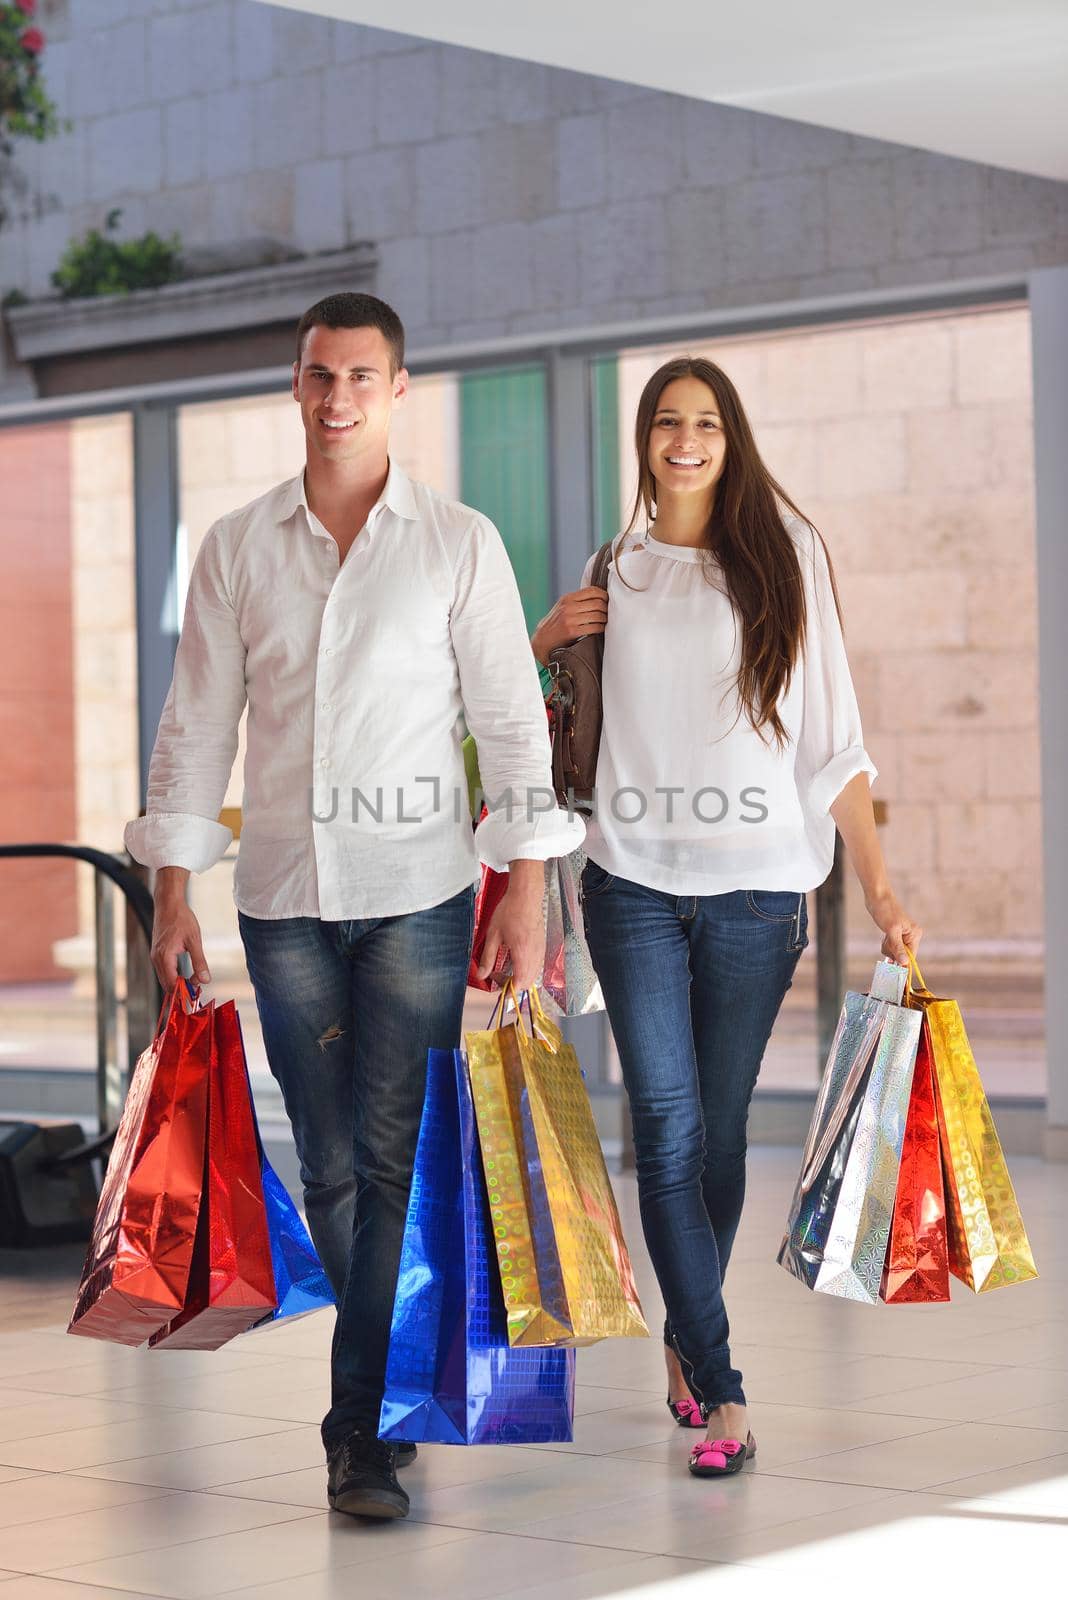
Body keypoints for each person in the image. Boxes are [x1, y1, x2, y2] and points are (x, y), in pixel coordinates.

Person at [126, 292, 583, 1520]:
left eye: (361, 377)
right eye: (320, 376)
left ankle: (357, 1431)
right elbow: (197, 727)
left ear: (397, 389)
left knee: (385, 1155)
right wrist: (174, 885)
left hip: (419, 894)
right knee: (333, 1165)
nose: (338, 399)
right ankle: (392, 1376)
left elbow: (507, 720)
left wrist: (528, 883)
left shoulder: (457, 542)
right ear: (295, 385)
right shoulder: (236, 546)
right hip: (281, 898)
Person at [531, 355, 921, 1479]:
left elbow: (834, 742)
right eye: (667, 422)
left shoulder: (784, 558)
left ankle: (683, 1334)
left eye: (705, 423)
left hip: (757, 890)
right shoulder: (619, 568)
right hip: (634, 882)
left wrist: (885, 890)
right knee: (662, 1124)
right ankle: (724, 1380)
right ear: (645, 439)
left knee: (716, 1133)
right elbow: (531, 717)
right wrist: (547, 635)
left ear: (730, 437)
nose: (685, 440)